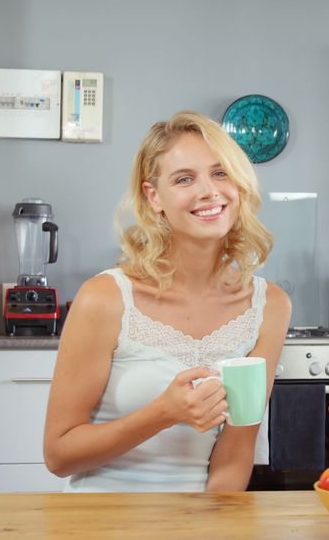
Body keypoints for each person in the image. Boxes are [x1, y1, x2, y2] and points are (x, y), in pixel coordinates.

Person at [43, 110, 290, 492]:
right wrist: (163, 412)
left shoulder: (270, 306)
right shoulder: (106, 298)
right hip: (98, 519)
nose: (209, 191)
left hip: (197, 522)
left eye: (220, 172)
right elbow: (59, 456)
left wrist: (210, 527)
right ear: (154, 197)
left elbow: (235, 453)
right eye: (185, 179)